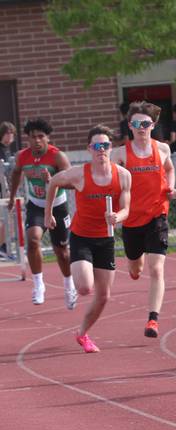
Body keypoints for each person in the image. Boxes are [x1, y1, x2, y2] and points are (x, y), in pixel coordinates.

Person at [44, 124, 131, 353]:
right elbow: (53, 182)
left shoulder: (122, 175)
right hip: (82, 237)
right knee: (84, 288)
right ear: (89, 149)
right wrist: (48, 213)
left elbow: (126, 209)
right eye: (96, 146)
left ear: (111, 148)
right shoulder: (78, 174)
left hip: (106, 239)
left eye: (105, 145)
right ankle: (78, 268)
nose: (101, 149)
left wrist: (117, 216)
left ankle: (82, 334)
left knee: (103, 297)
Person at [110, 101, 176, 338]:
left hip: (157, 214)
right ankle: (133, 267)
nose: (141, 127)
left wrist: (170, 186)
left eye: (145, 123)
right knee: (135, 266)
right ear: (130, 125)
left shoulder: (162, 150)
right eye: (137, 123)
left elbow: (169, 169)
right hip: (131, 219)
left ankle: (153, 319)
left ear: (153, 125)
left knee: (156, 268)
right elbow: (109, 180)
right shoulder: (119, 154)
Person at [7, 118, 76, 309]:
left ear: (48, 138)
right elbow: (15, 173)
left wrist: (53, 180)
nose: (37, 141)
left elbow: (72, 181)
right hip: (36, 205)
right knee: (33, 240)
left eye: (41, 137)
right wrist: (12, 197)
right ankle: (38, 284)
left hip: (57, 206)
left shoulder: (57, 157)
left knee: (61, 252)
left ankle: (69, 284)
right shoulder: (23, 156)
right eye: (32, 137)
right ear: (27, 139)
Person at [0, 121, 16, 260]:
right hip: (1, 189)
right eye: (7, 133)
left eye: (12, 133)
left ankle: (4, 245)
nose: (10, 136)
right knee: (4, 218)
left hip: (6, 188)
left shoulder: (8, 149)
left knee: (8, 217)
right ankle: (2, 246)